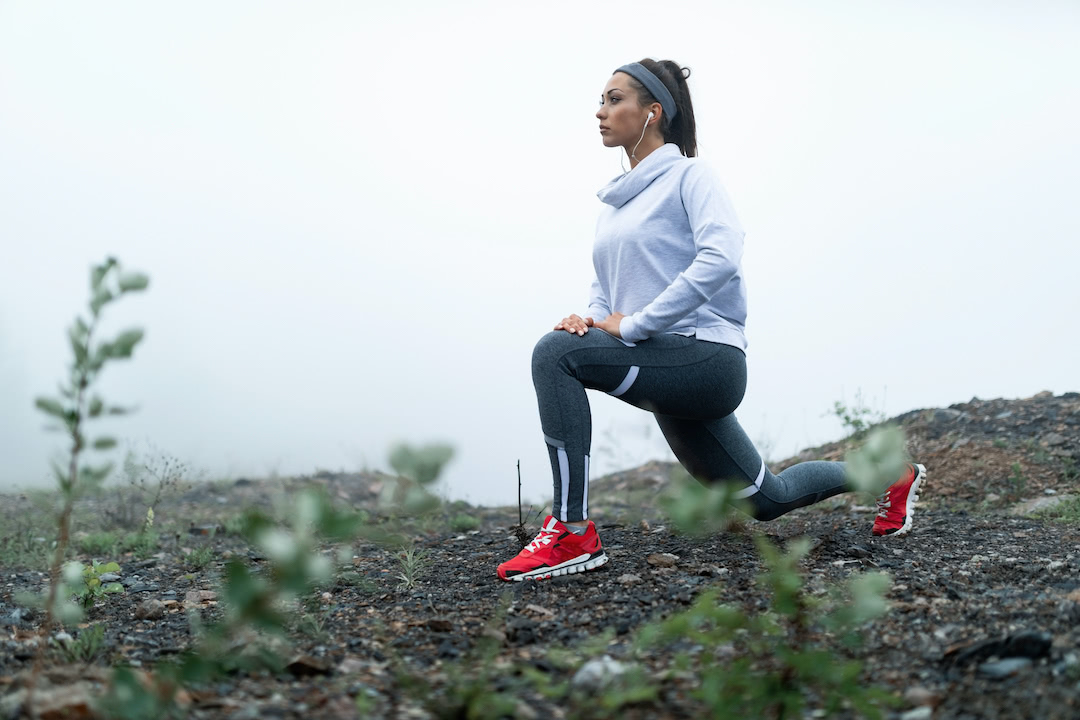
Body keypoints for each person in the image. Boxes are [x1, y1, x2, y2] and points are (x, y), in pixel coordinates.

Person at [496, 59, 926, 582]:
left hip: (706, 361)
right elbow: (607, 291)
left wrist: (634, 326)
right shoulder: (614, 206)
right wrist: (589, 321)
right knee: (766, 499)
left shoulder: (691, 176)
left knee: (553, 354)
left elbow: (721, 255)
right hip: (664, 364)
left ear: (652, 112)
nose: (600, 112)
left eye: (614, 100)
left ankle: (571, 533)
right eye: (601, 101)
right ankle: (890, 474)